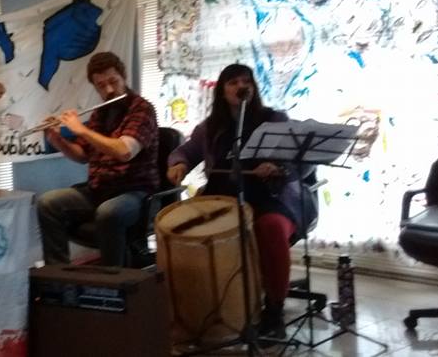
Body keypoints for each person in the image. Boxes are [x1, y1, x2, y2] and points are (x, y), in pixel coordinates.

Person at [166, 63, 317, 339]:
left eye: (246, 81)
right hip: (224, 197)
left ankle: (274, 311)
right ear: (222, 92)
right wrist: (178, 164)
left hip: (272, 197)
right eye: (233, 82)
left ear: (254, 87)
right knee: (187, 227)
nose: (241, 86)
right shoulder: (210, 128)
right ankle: (207, 307)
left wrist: (277, 167)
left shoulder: (275, 119)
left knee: (270, 227)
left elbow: (300, 164)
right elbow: (185, 151)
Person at [36, 52, 159, 266]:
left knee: (108, 213)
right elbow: (82, 156)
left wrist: (81, 130)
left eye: (113, 81)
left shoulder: (142, 109)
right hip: (98, 190)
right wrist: (57, 139)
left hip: (135, 193)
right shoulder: (100, 114)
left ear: (123, 77)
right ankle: (58, 275)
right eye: (101, 85)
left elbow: (124, 151)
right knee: (47, 203)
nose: (109, 90)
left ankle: (113, 278)